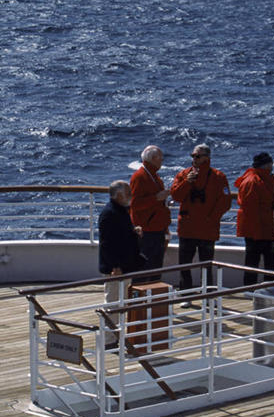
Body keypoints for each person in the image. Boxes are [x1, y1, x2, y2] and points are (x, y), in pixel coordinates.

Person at [170, 143, 231, 291]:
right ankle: (185, 294)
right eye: (193, 156)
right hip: (187, 228)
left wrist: (211, 218)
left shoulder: (219, 177)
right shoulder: (183, 175)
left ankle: (208, 294)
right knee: (184, 264)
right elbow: (176, 196)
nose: (194, 159)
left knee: (207, 266)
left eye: (197, 156)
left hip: (207, 230)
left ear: (206, 158)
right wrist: (187, 183)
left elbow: (226, 201)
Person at [98, 180, 146, 343]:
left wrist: (133, 232)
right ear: (118, 195)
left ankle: (116, 336)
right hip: (116, 269)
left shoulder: (120, 211)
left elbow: (120, 236)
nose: (131, 196)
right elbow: (107, 244)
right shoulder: (110, 213)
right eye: (128, 193)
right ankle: (108, 340)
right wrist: (114, 266)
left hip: (125, 266)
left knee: (121, 302)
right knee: (112, 304)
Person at [234, 152, 274, 286]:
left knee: (266, 263)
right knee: (254, 263)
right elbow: (251, 209)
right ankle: (250, 290)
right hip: (258, 230)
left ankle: (267, 290)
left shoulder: (263, 179)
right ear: (266, 164)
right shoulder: (253, 181)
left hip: (265, 228)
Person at [130, 145, 171, 274]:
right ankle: (140, 294)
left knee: (155, 268)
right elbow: (134, 203)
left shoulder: (154, 176)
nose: (162, 161)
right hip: (147, 231)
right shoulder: (140, 177)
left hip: (157, 229)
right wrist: (156, 198)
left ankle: (153, 293)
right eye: (160, 158)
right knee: (143, 269)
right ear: (153, 158)